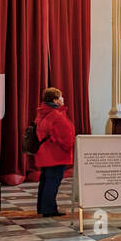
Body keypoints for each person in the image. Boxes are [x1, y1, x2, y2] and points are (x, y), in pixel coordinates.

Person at [33, 87, 75, 217]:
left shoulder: (42, 113)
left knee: (45, 181)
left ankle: (42, 207)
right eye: (61, 97)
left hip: (44, 153)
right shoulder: (56, 115)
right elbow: (65, 136)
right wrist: (69, 147)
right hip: (55, 154)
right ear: (55, 99)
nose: (63, 99)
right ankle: (49, 209)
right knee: (52, 181)